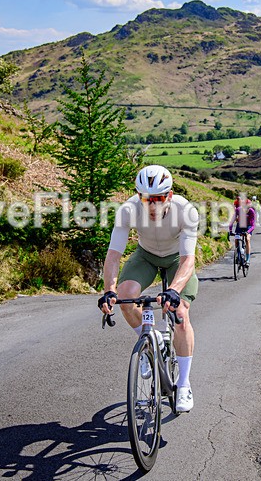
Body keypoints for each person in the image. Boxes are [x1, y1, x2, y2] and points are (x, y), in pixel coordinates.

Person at [99, 165, 200, 413]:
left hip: (177, 259)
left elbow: (188, 260)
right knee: (125, 294)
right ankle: (148, 343)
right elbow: (114, 255)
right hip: (146, 256)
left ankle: (184, 384)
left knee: (180, 315)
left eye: (157, 198)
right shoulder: (128, 210)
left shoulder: (185, 211)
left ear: (170, 195)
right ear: (138, 195)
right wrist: (109, 290)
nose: (152, 205)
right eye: (146, 198)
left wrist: (175, 291)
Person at [229, 196, 256, 266]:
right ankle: (238, 255)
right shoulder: (238, 210)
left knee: (247, 239)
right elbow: (232, 221)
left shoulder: (251, 212)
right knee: (236, 239)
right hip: (240, 225)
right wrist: (230, 230)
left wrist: (248, 232)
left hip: (249, 226)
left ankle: (247, 260)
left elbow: (253, 225)